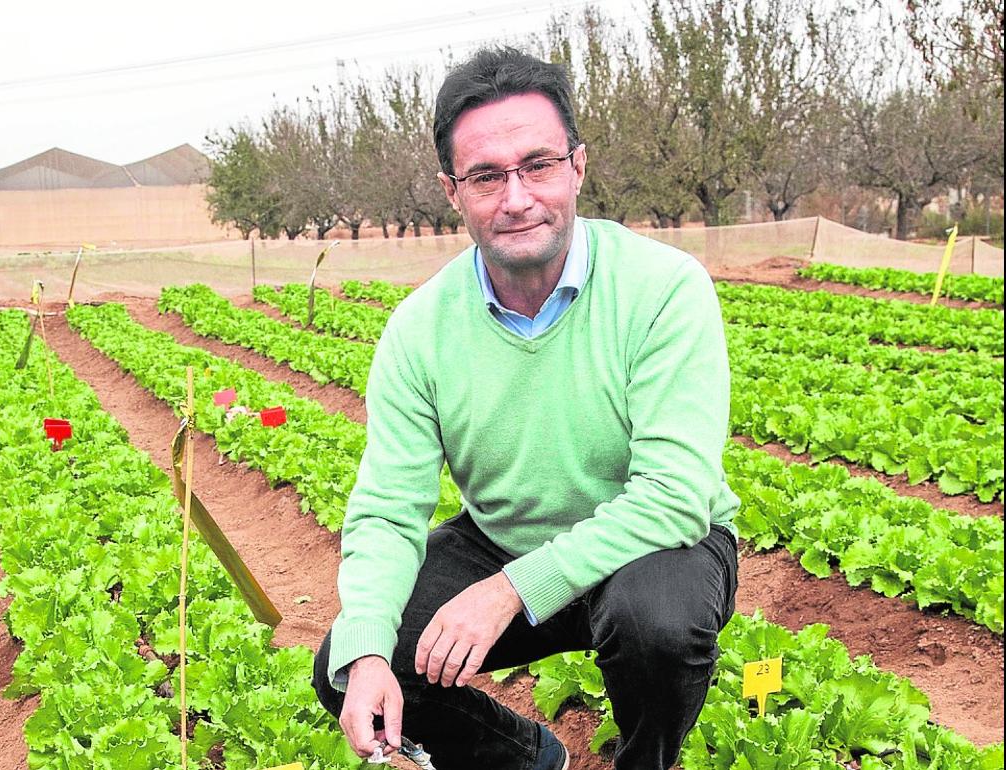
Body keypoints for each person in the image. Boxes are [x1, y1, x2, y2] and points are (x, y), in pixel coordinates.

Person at [311, 46, 739, 770]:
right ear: (452, 191)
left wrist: (513, 590)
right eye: (486, 176)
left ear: (577, 166)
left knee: (654, 624)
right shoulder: (419, 330)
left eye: (537, 164)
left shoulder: (664, 289)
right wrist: (369, 648)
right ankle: (529, 759)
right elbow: (387, 508)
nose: (516, 197)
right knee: (350, 661)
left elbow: (675, 496)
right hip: (504, 538)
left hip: (655, 547)